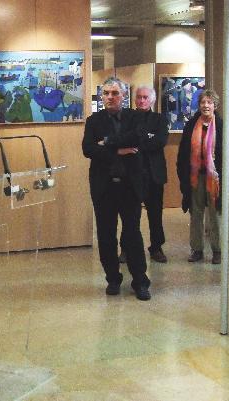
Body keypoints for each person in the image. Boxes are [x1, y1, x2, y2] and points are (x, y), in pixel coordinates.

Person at [82, 77, 151, 301]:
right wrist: (118, 150)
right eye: (106, 93)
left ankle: (140, 281)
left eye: (114, 93)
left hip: (130, 187)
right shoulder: (94, 121)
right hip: (104, 188)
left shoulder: (136, 117)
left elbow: (138, 137)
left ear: (123, 96)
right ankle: (113, 278)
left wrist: (108, 141)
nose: (110, 97)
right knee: (106, 235)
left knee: (132, 234)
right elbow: (88, 149)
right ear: (101, 97)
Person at [119, 86, 169, 264]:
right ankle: (126, 248)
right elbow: (124, 139)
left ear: (152, 100)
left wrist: (138, 143)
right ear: (134, 99)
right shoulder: (126, 118)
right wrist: (146, 137)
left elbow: (160, 141)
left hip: (154, 174)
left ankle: (156, 247)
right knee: (130, 215)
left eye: (145, 97)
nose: (141, 100)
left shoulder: (159, 119)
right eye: (139, 97)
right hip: (131, 175)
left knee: (155, 214)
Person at [177, 89, 222, 264]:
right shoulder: (191, 125)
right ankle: (197, 249)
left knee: (215, 214)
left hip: (214, 178)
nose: (205, 105)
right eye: (203, 102)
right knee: (196, 213)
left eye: (209, 102)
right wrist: (182, 175)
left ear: (215, 105)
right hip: (195, 176)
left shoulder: (221, 125)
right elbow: (183, 153)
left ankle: (217, 250)